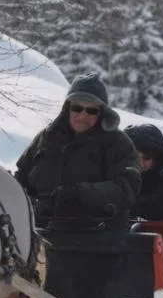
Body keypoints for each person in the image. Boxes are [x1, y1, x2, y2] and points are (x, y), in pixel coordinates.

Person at [15, 72, 141, 231]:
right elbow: (21, 178)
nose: (82, 116)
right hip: (39, 232)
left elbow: (127, 187)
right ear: (67, 108)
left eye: (91, 111)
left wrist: (79, 194)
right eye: (77, 108)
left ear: (102, 112)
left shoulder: (117, 143)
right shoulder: (46, 138)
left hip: (96, 237)